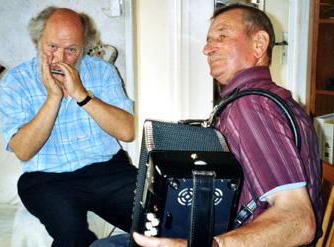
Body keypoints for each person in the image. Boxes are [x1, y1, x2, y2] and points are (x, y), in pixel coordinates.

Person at [94, 3, 321, 247]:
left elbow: (298, 220)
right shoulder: (272, 99)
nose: (206, 49)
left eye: (222, 36)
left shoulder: (251, 107)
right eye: (208, 40)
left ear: (259, 44)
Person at [0, 6, 138, 246]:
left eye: (71, 50)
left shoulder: (103, 71)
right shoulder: (15, 81)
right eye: (52, 47)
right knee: (71, 237)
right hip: (46, 180)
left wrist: (80, 94)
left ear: (84, 47)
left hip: (108, 171)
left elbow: (128, 131)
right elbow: (23, 150)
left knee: (163, 222)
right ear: (38, 41)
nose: (60, 59)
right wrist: (53, 98)